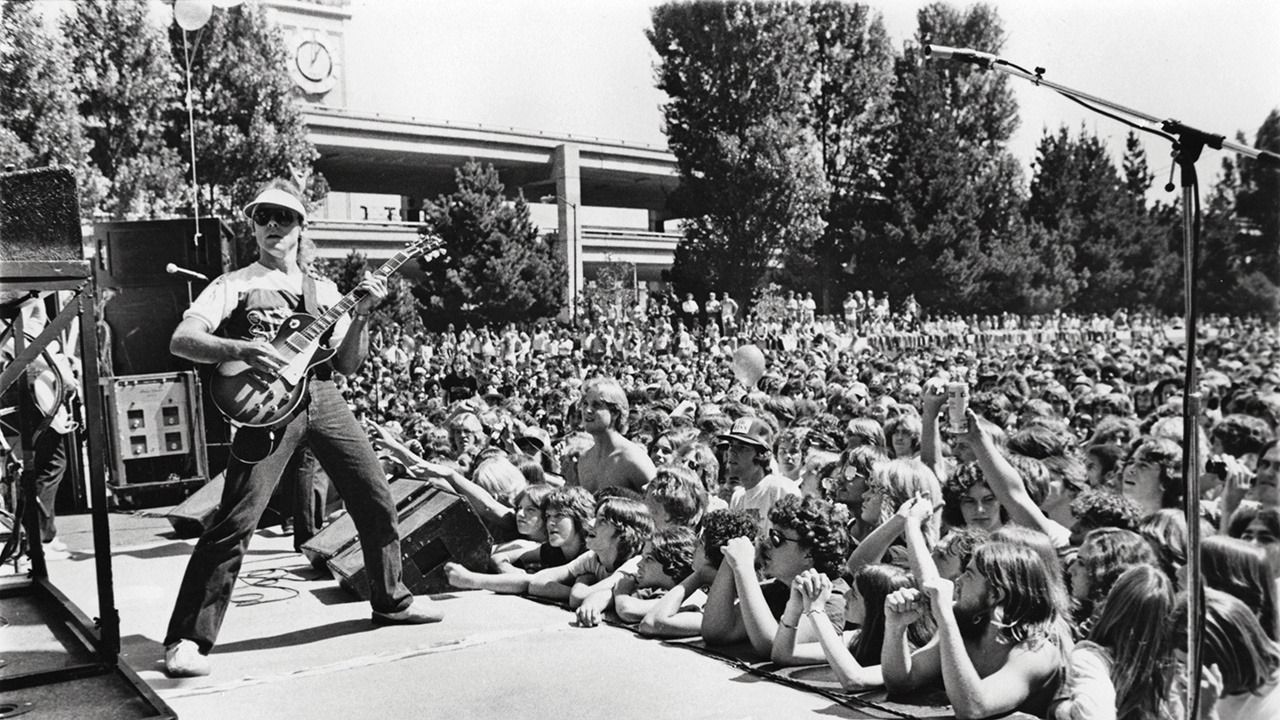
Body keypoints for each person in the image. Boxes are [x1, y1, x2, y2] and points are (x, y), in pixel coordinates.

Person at [162, 182, 442, 678]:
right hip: (264, 409)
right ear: (253, 226)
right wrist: (241, 350)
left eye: (285, 217)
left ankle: (391, 599)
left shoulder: (327, 291)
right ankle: (187, 638)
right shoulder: (235, 284)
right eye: (264, 216)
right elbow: (183, 340)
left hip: (324, 396)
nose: (274, 225)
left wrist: (361, 317)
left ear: (300, 228)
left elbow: (351, 364)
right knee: (235, 521)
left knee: (375, 496)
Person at [882, 540, 1071, 719]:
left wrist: (946, 618)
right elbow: (902, 683)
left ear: (994, 595)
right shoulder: (964, 622)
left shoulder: (1037, 653)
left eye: (969, 574)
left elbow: (973, 709)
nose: (958, 580)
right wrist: (895, 627)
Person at [1049, 564, 1177, 720]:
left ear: (1113, 605)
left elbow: (1095, 716)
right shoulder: (1174, 672)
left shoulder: (1091, 660)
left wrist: (1062, 710)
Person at [568, 377, 655, 495]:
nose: (587, 410)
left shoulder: (632, 459)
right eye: (585, 404)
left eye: (596, 405)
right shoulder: (584, 459)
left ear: (614, 413)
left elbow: (660, 505)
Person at [718, 417, 799, 534]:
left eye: (742, 447)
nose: (732, 452)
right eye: (731, 445)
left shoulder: (780, 489)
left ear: (762, 455)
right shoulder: (738, 497)